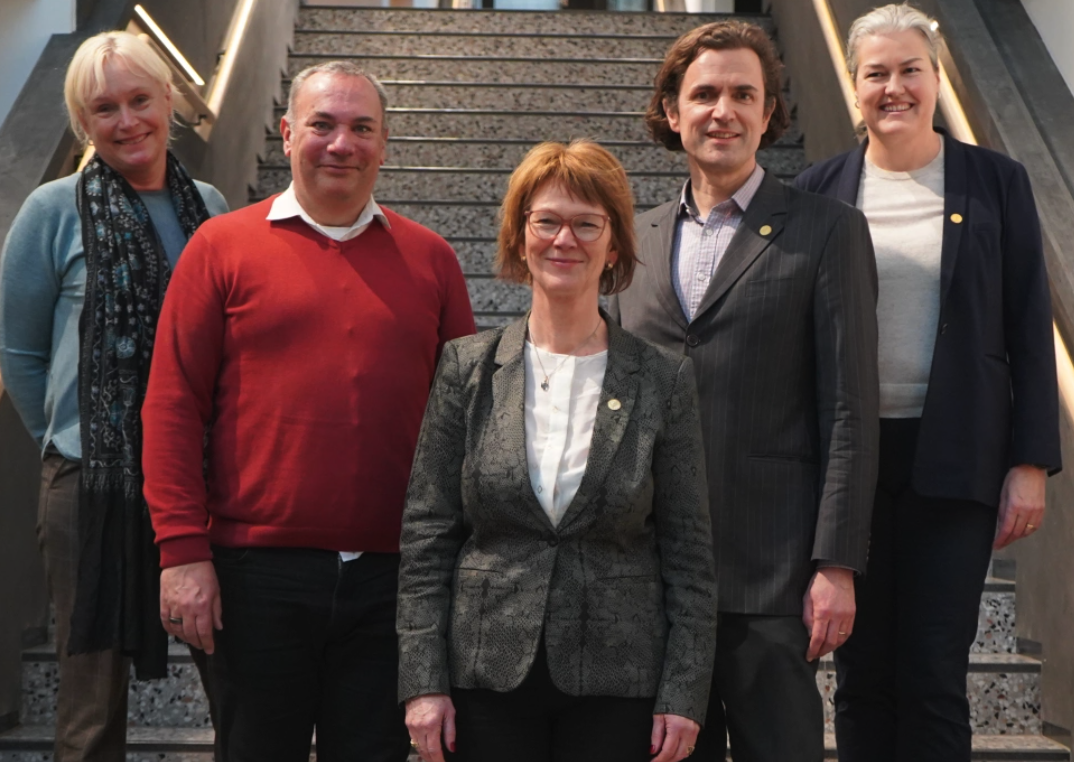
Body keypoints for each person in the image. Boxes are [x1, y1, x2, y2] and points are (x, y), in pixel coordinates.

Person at [140, 60, 475, 762]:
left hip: (395, 578)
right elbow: (172, 406)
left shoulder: (433, 260)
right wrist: (182, 552)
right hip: (254, 575)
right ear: (288, 134)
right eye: (322, 124)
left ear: (384, 144)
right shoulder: (219, 248)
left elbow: (464, 424)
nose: (341, 144)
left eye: (362, 128)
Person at [793, 5, 1061, 760]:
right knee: (860, 674)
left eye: (910, 70)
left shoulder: (997, 182)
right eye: (876, 74)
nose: (895, 88)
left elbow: (1028, 321)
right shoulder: (817, 190)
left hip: (957, 458)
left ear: (937, 80)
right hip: (851, 465)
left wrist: (1031, 461)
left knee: (934, 672)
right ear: (854, 87)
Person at [610, 20, 881, 762]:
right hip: (655, 577)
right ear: (673, 112)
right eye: (704, 94)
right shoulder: (631, 239)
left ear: (769, 113)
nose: (721, 111)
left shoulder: (829, 230)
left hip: (776, 575)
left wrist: (836, 564)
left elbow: (851, 411)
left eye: (742, 94)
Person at [397, 140, 717, 762]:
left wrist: (684, 692)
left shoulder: (661, 378)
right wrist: (422, 682)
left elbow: (689, 550)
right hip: (484, 672)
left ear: (614, 245)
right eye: (546, 221)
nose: (564, 239)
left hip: (620, 677)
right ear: (520, 238)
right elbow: (427, 533)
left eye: (587, 224)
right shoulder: (467, 367)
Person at [0, 31, 228, 762]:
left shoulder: (211, 208)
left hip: (200, 481)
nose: (127, 121)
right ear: (82, 121)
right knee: (91, 704)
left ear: (169, 99)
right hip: (87, 485)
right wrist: (70, 439)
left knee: (236, 683)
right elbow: (20, 354)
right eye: (105, 108)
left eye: (139, 100)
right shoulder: (52, 209)